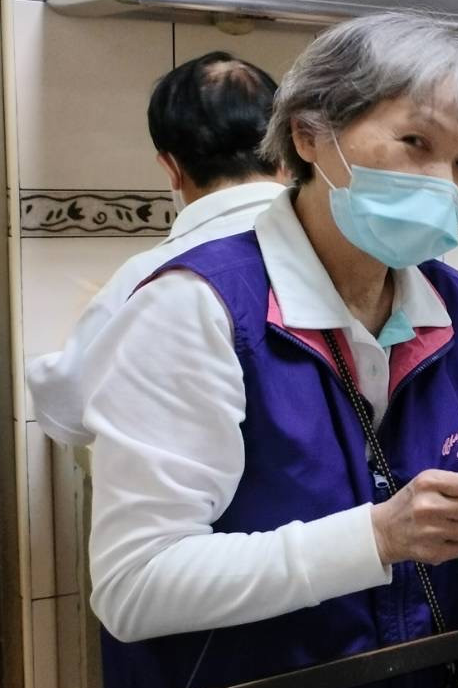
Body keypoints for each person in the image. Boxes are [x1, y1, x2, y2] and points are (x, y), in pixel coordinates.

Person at [82, 13, 458, 688]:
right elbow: (135, 586)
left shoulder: (451, 306)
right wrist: (379, 537)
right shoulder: (198, 307)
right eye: (416, 142)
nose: (443, 183)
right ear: (310, 135)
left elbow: (448, 503)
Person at [29, 51, 287, 449]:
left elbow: (69, 411)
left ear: (171, 169)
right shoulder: (334, 248)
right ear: (284, 154)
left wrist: (43, 365)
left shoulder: (157, 273)